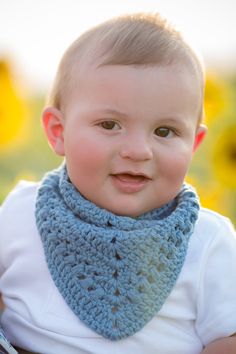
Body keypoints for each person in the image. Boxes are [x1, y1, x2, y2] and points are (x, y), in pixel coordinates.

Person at [0, 12, 236, 354]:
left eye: (164, 132)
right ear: (58, 132)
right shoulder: (22, 212)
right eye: (110, 125)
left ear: (194, 146)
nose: (138, 151)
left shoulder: (209, 241)